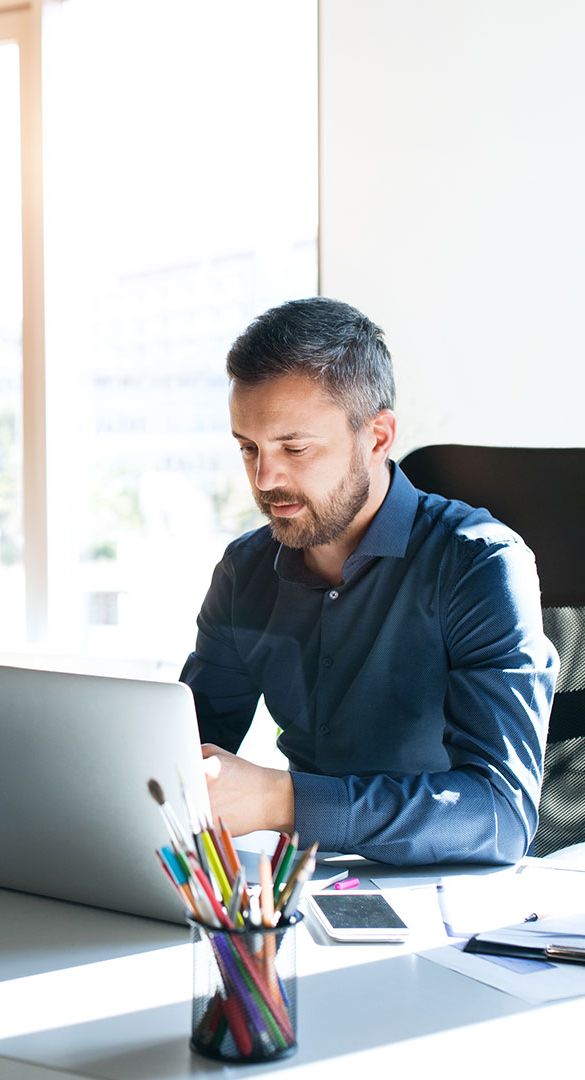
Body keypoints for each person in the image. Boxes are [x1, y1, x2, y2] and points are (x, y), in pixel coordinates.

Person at [181, 297, 558, 866]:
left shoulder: (480, 564)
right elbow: (182, 751)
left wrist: (283, 800)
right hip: (310, 887)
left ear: (378, 437)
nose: (265, 477)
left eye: (295, 447)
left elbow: (501, 817)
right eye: (249, 448)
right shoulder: (244, 571)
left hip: (454, 900)